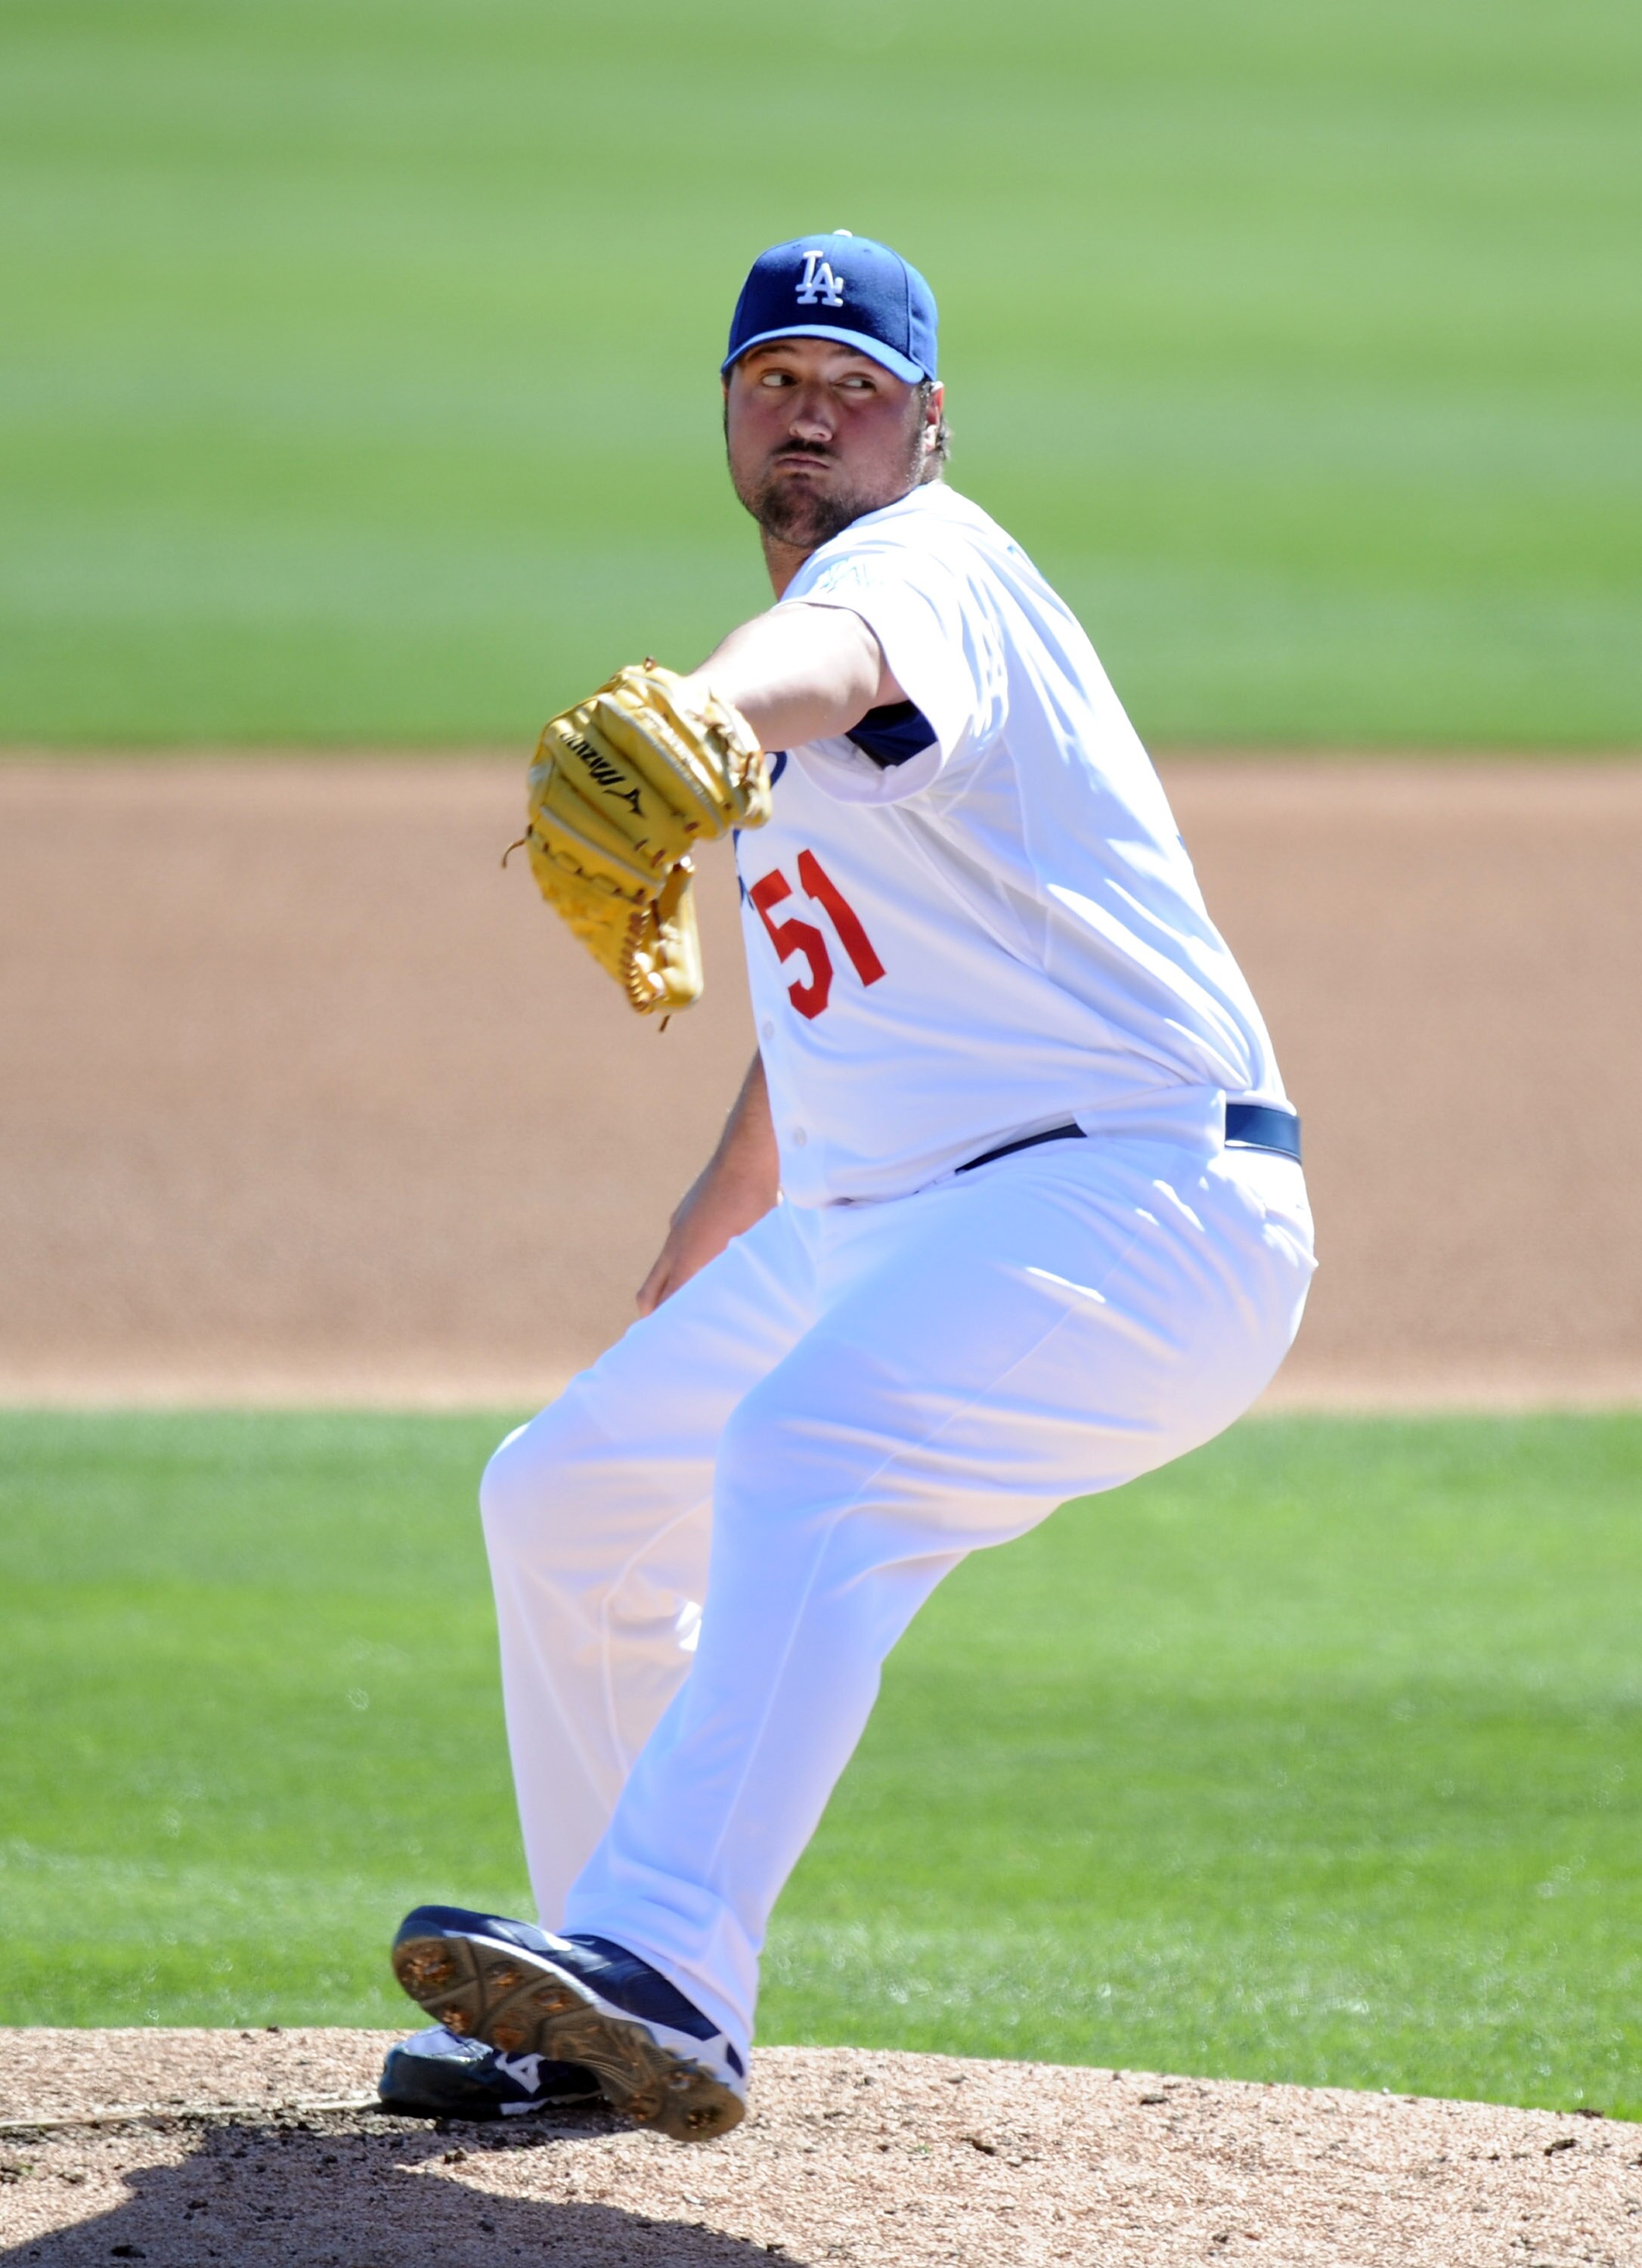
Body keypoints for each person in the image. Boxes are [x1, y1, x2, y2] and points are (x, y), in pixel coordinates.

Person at [379, 231, 1316, 2141]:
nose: (813, 417)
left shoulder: (924, 574)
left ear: (929, 429)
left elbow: (831, 657)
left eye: (855, 390)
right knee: (568, 1496)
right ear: (729, 413)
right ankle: (590, 2005)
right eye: (776, 385)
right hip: (883, 1224)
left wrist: (718, 708)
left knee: (808, 1452)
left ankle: (677, 1973)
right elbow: (832, 1009)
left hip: (1141, 1209)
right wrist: (708, 1225)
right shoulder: (811, 712)